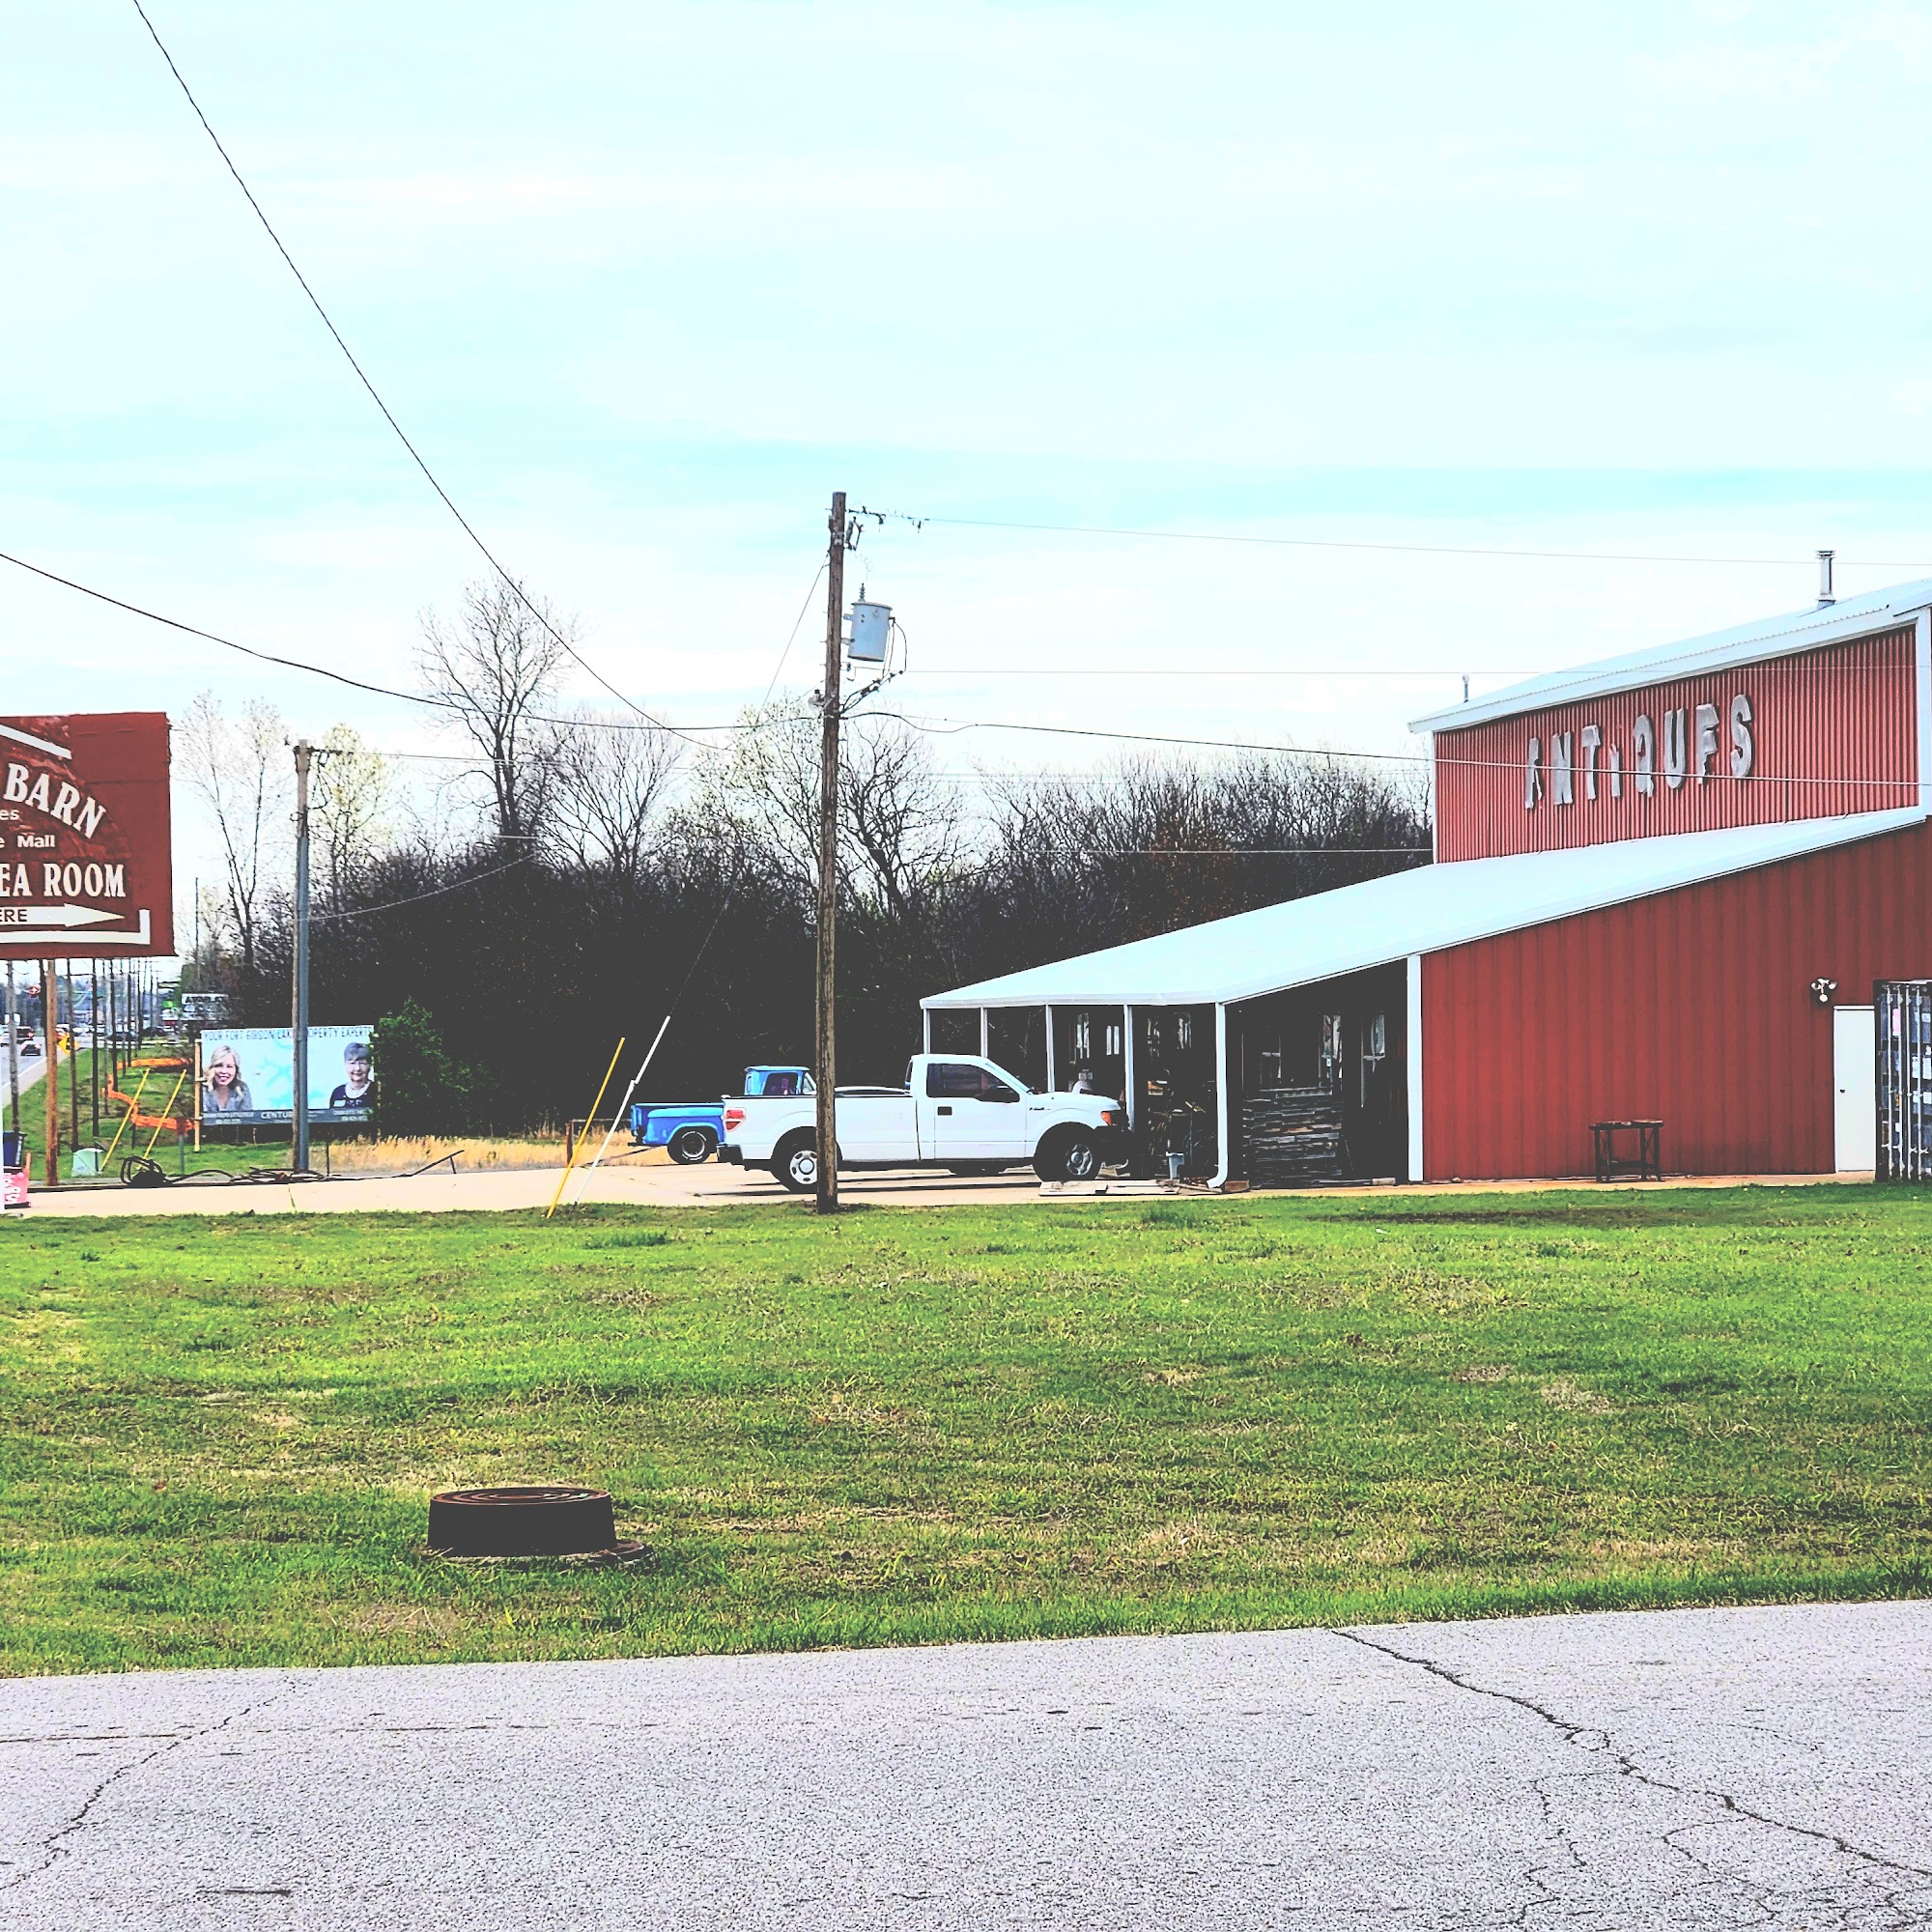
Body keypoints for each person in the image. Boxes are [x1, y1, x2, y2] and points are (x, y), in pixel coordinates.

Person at [203, 1045, 253, 1115]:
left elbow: (248, 1119)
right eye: (219, 1065)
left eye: (229, 1066)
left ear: (236, 1070)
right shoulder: (203, 1090)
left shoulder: (242, 1088)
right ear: (212, 1067)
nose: (224, 1071)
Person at [329, 1040, 374, 1108]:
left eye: (362, 1063)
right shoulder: (337, 1092)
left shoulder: (377, 1091)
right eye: (352, 1063)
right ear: (345, 1065)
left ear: (369, 1066)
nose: (357, 1068)